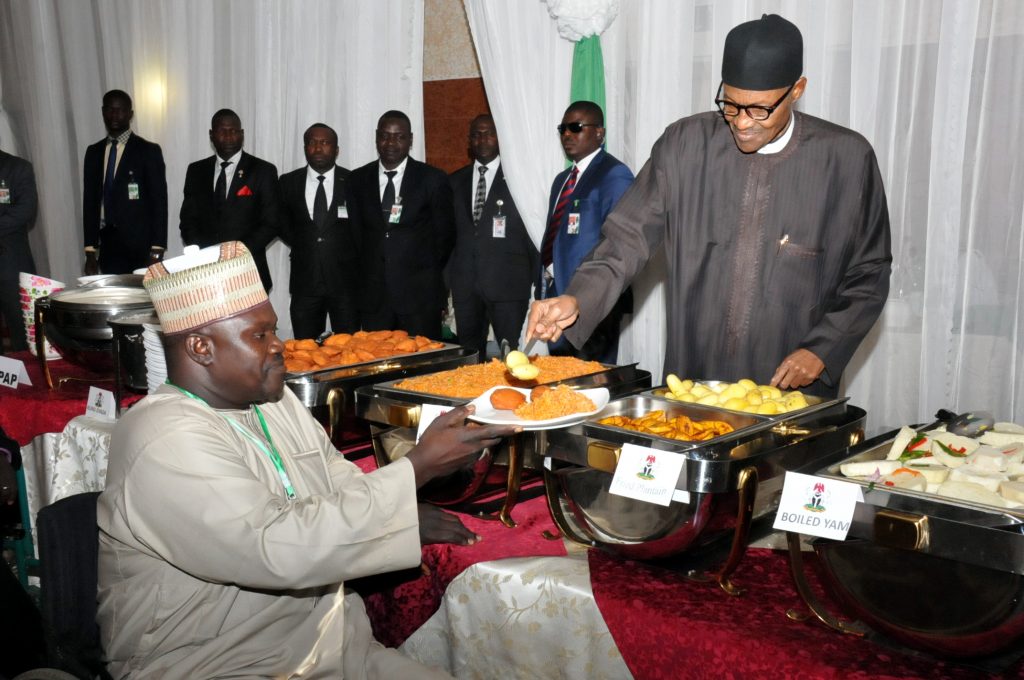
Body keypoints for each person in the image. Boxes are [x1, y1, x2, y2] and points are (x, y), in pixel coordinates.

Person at [98, 241, 516, 678]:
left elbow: (339, 484)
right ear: (201, 348)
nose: (280, 346)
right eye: (259, 335)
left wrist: (403, 507)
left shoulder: (273, 403)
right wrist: (418, 466)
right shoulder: (161, 436)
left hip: (332, 647)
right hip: (218, 663)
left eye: (273, 331)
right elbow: (275, 547)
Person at [527, 14, 892, 397]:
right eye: (730, 105)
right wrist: (577, 298)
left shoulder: (847, 160)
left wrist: (823, 349)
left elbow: (869, 272)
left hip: (788, 387)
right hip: (695, 382)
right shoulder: (685, 145)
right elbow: (624, 239)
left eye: (759, 109)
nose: (741, 123)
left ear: (797, 89)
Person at [538, 101, 633, 364]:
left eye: (576, 127)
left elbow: (620, 243)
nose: (567, 134)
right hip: (556, 294)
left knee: (590, 384)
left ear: (599, 134)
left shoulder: (614, 175)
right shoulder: (562, 180)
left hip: (593, 301)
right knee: (560, 381)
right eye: (563, 129)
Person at [347, 111, 455, 339]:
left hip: (420, 295)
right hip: (374, 295)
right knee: (379, 365)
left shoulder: (433, 179)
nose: (391, 143)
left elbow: (445, 236)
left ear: (410, 139)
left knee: (423, 364)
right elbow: (356, 235)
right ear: (376, 138)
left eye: (399, 136)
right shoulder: (357, 180)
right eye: (385, 136)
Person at [448, 114, 537, 361]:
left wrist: (537, 276)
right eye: (476, 134)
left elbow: (534, 229)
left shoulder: (519, 179)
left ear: (500, 138)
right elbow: (448, 236)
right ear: (469, 141)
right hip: (466, 285)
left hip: (508, 283)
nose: (482, 139)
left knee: (511, 356)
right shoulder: (454, 181)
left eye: (489, 133)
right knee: (468, 357)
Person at [180, 109, 280, 291]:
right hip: (205, 273)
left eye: (233, 131)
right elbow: (188, 221)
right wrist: (205, 255)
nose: (228, 136)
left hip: (248, 272)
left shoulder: (263, 170)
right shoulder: (196, 171)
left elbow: (271, 223)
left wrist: (235, 254)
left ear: (242, 134)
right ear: (211, 135)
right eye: (221, 131)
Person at [279, 123, 359, 339]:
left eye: (324, 143)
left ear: (336, 149)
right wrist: (305, 242)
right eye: (312, 143)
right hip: (305, 281)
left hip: (345, 283)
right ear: (305, 148)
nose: (317, 148)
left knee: (349, 351)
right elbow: (281, 222)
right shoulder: (288, 182)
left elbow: (361, 226)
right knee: (305, 350)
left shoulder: (354, 181)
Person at [82, 89, 168, 275]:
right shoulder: (93, 152)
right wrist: (90, 250)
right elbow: (90, 203)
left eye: (120, 110)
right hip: (108, 246)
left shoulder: (148, 151)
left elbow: (159, 202)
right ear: (102, 112)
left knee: (143, 301)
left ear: (130, 114)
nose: (114, 115)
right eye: (110, 109)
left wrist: (158, 248)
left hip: (141, 247)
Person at [0, 146, 37, 351]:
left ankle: (28, 382)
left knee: (21, 332)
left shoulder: (18, 167)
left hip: (10, 264)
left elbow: (26, 210)